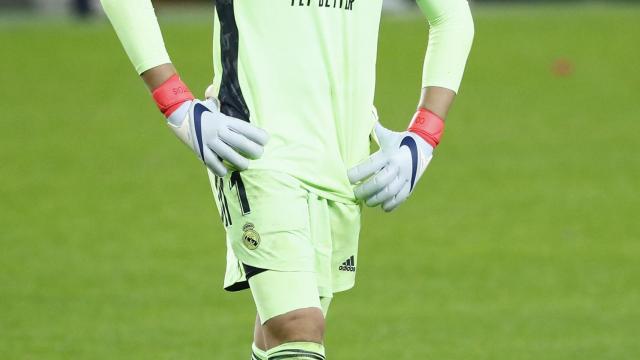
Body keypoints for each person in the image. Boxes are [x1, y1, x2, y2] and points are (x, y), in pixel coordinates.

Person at [100, 0, 474, 358]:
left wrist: (423, 137)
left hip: (343, 164)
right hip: (254, 150)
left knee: (280, 338)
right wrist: (175, 101)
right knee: (299, 325)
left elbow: (452, 16)